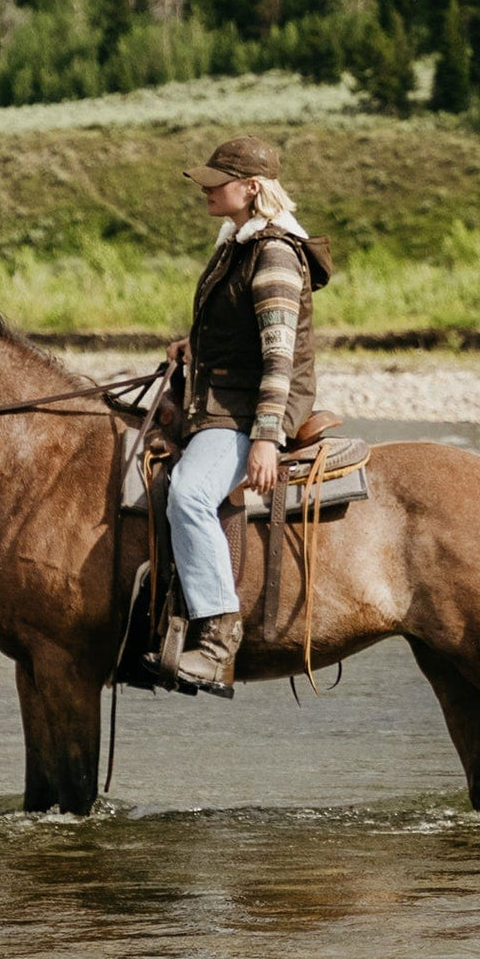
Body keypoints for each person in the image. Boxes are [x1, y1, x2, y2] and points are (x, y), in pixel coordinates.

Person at [163, 135, 332, 697]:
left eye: (218, 182)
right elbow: (241, 331)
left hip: (248, 411)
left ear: (252, 189)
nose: (206, 189)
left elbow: (279, 358)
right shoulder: (237, 244)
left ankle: (216, 637)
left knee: (188, 493)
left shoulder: (276, 253)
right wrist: (194, 346)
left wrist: (266, 439)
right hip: (221, 397)